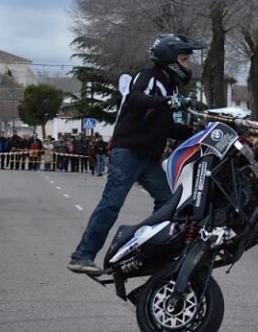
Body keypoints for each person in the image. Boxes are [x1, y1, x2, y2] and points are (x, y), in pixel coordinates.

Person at [68, 33, 202, 273]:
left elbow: (170, 127)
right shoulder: (148, 76)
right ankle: (82, 256)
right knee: (111, 203)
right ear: (170, 59)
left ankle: (147, 248)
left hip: (150, 157)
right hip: (128, 152)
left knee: (169, 203)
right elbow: (135, 98)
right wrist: (167, 102)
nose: (188, 65)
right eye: (184, 59)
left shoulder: (172, 89)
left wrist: (196, 132)